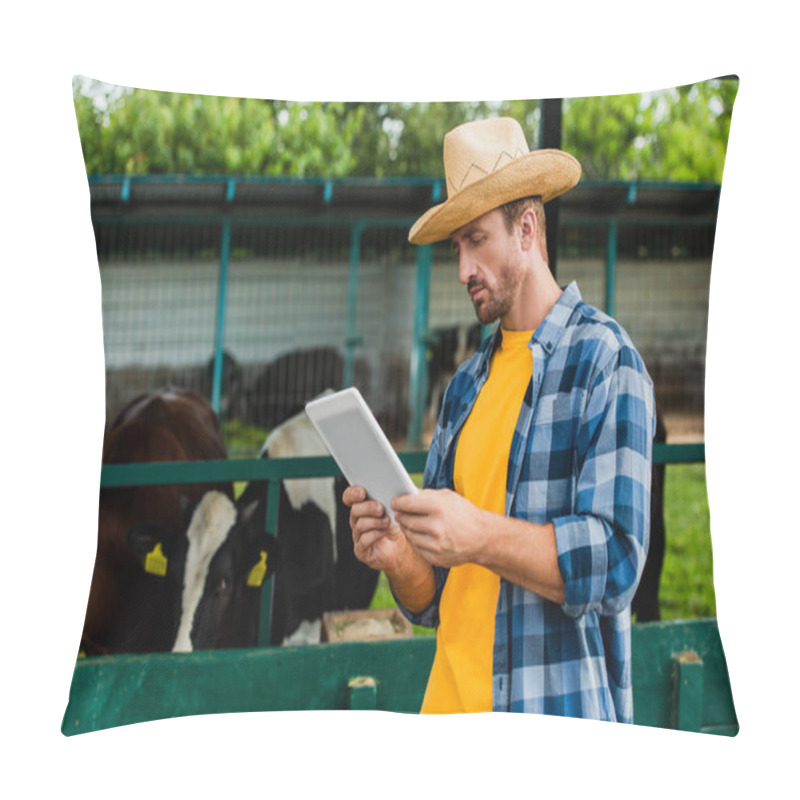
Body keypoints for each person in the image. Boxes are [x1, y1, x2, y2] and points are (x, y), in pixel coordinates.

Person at [343, 117, 656, 722]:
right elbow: (430, 599)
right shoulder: (463, 388)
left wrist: (479, 535)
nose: (462, 269)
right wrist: (398, 557)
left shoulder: (605, 362)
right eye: (457, 246)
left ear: (527, 229)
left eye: (476, 240)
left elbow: (616, 562)